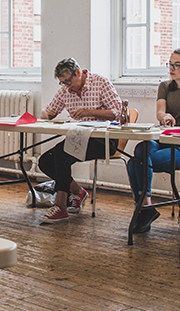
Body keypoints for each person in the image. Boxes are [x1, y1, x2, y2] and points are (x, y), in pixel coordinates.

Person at [126, 48, 180, 234]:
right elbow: (160, 111)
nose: (171, 68)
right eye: (170, 64)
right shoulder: (165, 86)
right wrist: (164, 116)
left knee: (137, 162)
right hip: (163, 138)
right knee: (141, 150)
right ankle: (146, 206)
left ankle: (143, 209)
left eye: (177, 65)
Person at [37, 58, 123, 224]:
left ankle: (61, 205)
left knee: (61, 154)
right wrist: (47, 115)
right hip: (79, 138)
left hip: (103, 140)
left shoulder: (100, 82)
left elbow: (118, 112)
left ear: (78, 72)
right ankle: (78, 191)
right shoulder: (66, 90)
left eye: (68, 81)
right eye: (62, 83)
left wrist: (88, 112)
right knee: (45, 161)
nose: (67, 86)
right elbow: (46, 111)